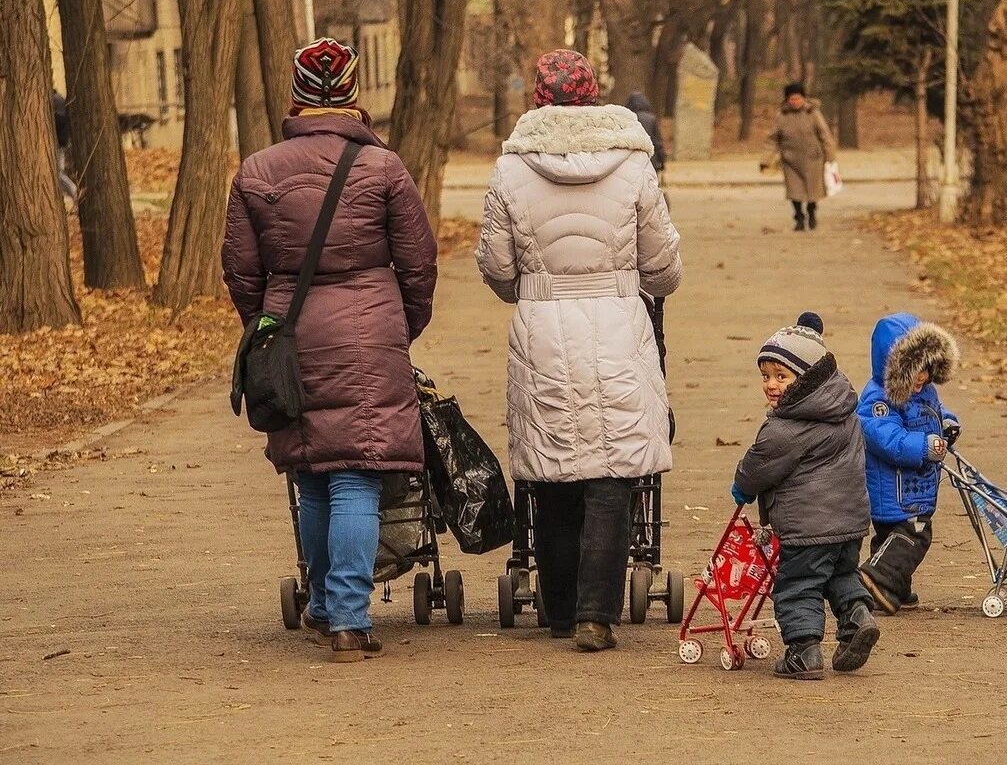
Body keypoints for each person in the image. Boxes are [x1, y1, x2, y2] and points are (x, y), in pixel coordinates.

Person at [222, 38, 437, 663]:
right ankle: (348, 618)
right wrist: (401, 326)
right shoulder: (384, 169)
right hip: (370, 332)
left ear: (296, 97)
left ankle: (322, 606)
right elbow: (418, 264)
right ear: (350, 95)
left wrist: (268, 332)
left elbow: (241, 272)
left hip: (291, 332)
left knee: (313, 477)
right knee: (356, 480)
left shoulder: (257, 171)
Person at [476, 49, 682, 652]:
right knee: (612, 472)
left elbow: (497, 266)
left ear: (537, 100)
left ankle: (560, 610)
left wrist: (532, 289)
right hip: (619, 324)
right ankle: (597, 615)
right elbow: (664, 268)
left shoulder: (509, 171)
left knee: (555, 472)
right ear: (595, 96)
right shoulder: (634, 165)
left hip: (542, 328)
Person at [731, 321, 879, 680]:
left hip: (807, 527)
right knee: (840, 573)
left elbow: (758, 468)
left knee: (798, 585)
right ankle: (857, 616)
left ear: (808, 378)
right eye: (766, 375)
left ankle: (804, 651)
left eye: (782, 376)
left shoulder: (786, 428)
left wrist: (742, 487)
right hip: (850, 523)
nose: (771, 384)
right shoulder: (845, 412)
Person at [856, 313, 960, 615]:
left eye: (927, 370)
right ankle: (875, 577)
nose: (923, 378)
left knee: (893, 538)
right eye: (915, 371)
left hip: (914, 487)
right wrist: (923, 446)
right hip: (893, 489)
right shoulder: (878, 398)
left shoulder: (925, 391)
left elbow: (935, 412)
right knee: (915, 534)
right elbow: (884, 436)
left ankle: (893, 587)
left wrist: (948, 423)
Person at [760, 83, 835, 232]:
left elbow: (824, 135)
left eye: (797, 98)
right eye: (792, 99)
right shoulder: (782, 116)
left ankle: (812, 213)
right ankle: (799, 217)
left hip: (813, 159)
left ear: (803, 98)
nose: (795, 102)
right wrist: (766, 159)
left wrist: (830, 156)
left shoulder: (812, 113)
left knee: (813, 191)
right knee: (794, 192)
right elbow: (773, 139)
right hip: (790, 160)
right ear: (787, 100)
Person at [626, 91, 666, 180]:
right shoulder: (652, 119)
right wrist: (662, 160)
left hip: (633, 160)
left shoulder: (628, 118)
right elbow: (657, 142)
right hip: (651, 159)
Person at [51, 91, 78, 205]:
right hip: (62, 143)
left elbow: (59, 123)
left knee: (58, 173)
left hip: (59, 144)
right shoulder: (59, 99)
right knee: (58, 172)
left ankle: (74, 191)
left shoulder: (56, 101)